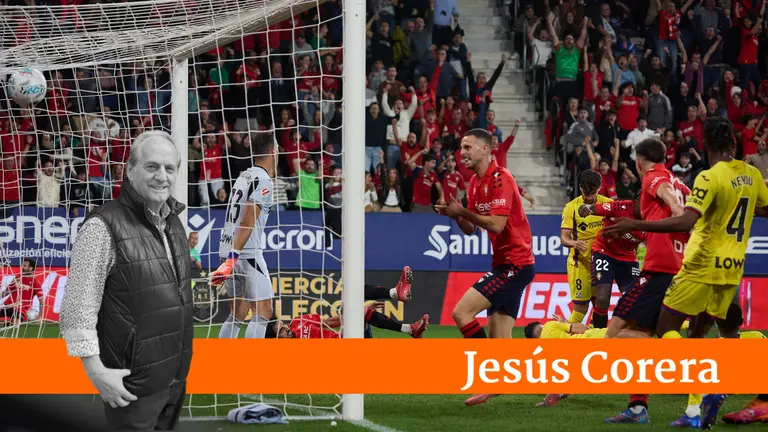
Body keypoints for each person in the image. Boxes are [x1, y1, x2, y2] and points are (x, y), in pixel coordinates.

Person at [605, 117, 768, 427]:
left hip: (698, 264)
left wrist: (634, 224)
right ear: (734, 144)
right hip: (732, 269)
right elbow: (763, 208)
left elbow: (684, 220)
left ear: (704, 146)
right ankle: (696, 409)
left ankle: (701, 388)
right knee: (703, 333)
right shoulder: (751, 175)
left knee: (665, 327)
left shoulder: (706, 177)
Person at [60, 130, 193, 431]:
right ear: (130, 170)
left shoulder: (173, 222)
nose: (163, 176)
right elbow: (76, 309)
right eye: (152, 166)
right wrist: (97, 374)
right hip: (127, 388)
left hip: (173, 383)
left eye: (169, 168)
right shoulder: (101, 226)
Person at [434, 128, 535, 407]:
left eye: (468, 147)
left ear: (485, 149)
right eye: (461, 147)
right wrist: (454, 215)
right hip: (506, 263)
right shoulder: (475, 184)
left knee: (461, 312)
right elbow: (469, 229)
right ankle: (509, 381)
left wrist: (463, 212)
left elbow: (496, 224)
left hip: (515, 263)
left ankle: (486, 375)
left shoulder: (502, 178)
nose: (462, 152)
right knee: (499, 340)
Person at [600, 138, 690, 425]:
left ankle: (676, 360)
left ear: (639, 161)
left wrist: (675, 212)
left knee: (613, 335)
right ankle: (638, 407)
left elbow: (674, 207)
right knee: (638, 334)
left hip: (658, 271)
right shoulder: (681, 182)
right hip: (673, 268)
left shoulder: (655, 176)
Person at [211, 133, 278, 339]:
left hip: (227, 248)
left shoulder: (243, 176)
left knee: (237, 313)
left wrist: (228, 258)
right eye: (277, 149)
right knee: (263, 311)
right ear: (272, 152)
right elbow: (248, 219)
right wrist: (232, 258)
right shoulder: (265, 181)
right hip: (244, 253)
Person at [577, 195, 645, 328]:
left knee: (635, 301)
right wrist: (585, 208)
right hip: (604, 252)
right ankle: (598, 337)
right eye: (644, 203)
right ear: (635, 202)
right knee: (602, 298)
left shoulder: (652, 218)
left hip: (628, 259)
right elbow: (591, 208)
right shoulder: (620, 207)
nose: (647, 208)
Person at [560, 170, 611, 326]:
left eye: (593, 192)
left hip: (601, 263)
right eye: (586, 192)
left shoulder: (608, 204)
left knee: (600, 306)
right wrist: (574, 243)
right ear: (580, 188)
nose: (589, 197)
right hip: (579, 263)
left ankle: (592, 339)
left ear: (600, 187)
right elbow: (564, 238)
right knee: (580, 309)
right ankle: (559, 337)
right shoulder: (571, 207)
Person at [0, 258, 44, 324]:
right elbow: (6, 293)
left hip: (20, 309)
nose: (22, 267)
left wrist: (40, 316)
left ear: (31, 268)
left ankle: (8, 324)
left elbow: (41, 301)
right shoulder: (17, 277)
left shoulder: (35, 283)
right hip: (8, 305)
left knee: (15, 324)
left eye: (25, 266)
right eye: (22, 265)